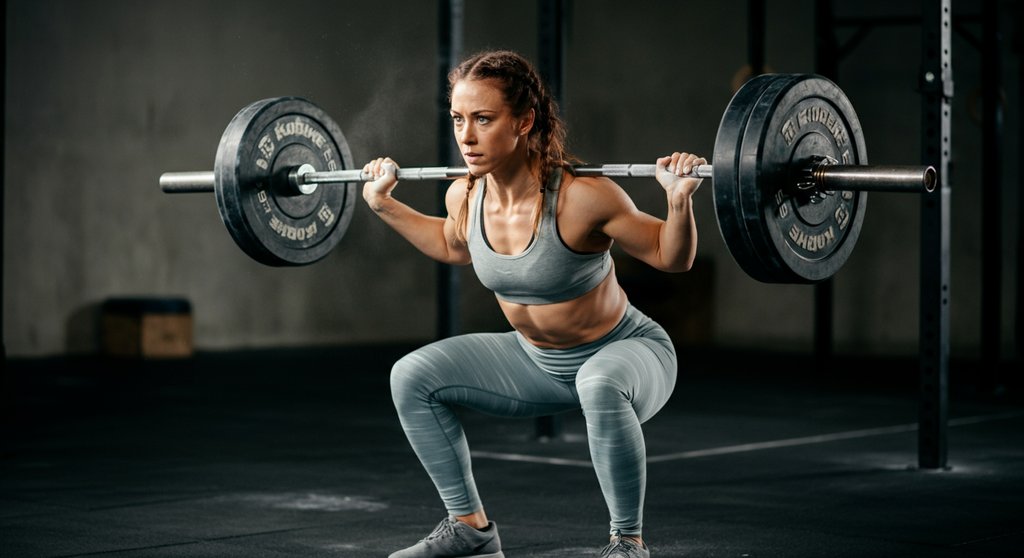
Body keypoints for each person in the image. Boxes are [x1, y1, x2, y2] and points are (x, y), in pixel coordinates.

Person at [361, 49, 706, 558]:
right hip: (535, 361)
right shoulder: (465, 196)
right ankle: (470, 530)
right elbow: (455, 245)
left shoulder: (583, 196)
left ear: (524, 121)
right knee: (412, 375)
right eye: (458, 119)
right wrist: (384, 203)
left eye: (483, 119)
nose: (466, 136)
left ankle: (627, 542)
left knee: (600, 381)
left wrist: (679, 201)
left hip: (628, 354)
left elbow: (668, 256)